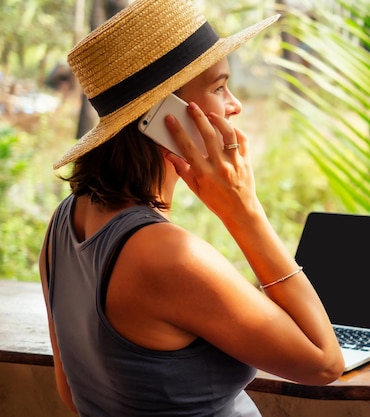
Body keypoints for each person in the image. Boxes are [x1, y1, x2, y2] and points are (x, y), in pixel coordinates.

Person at [38, 0, 344, 416]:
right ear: (167, 116)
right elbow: (324, 363)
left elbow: (73, 394)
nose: (233, 104)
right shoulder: (165, 255)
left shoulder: (63, 222)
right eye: (219, 87)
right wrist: (245, 211)